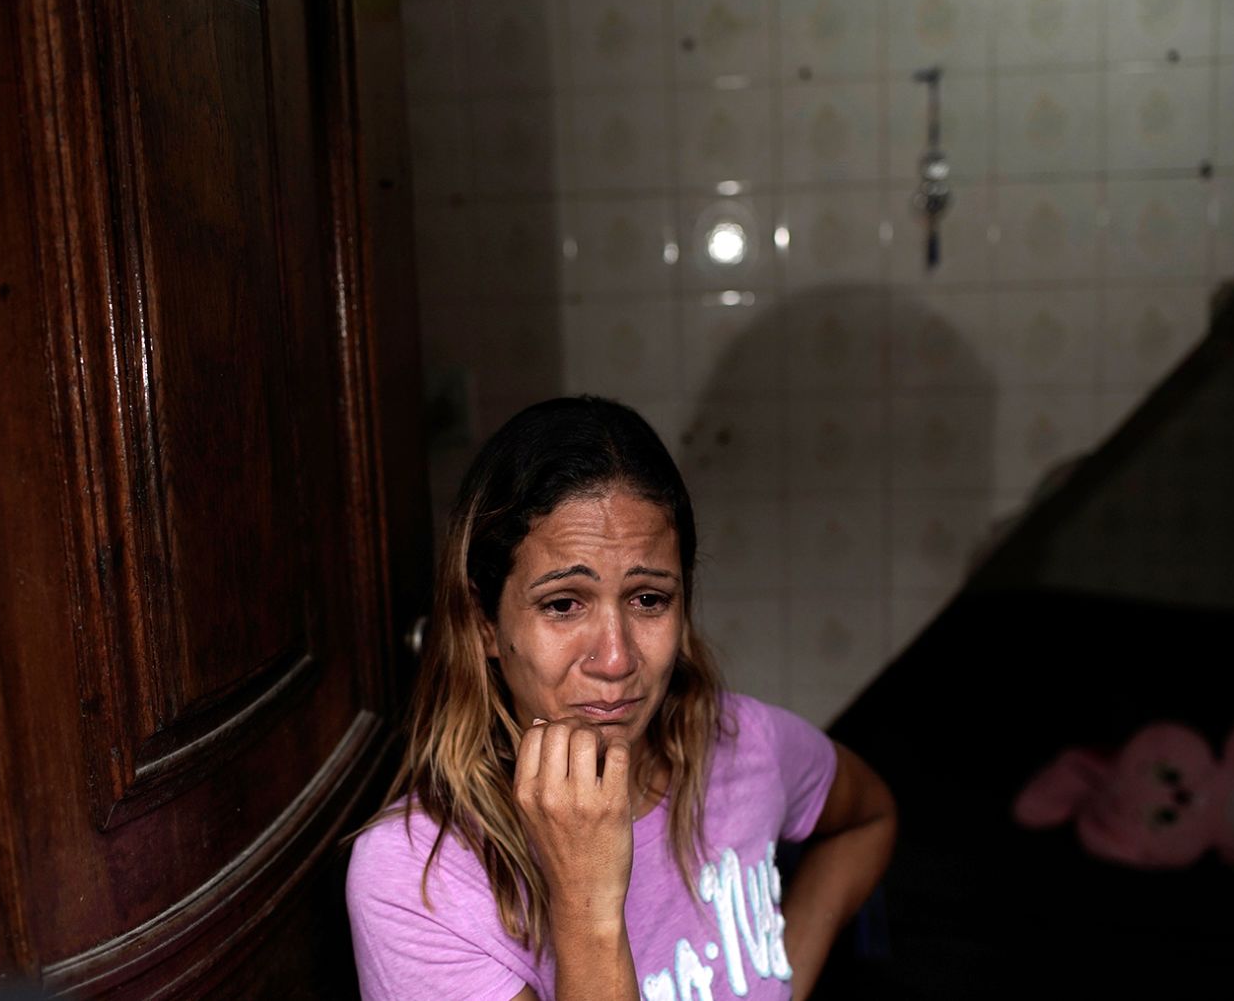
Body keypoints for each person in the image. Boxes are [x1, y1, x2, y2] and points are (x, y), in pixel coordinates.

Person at [347, 396, 895, 1000]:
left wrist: (790, 972)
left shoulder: (744, 744)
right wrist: (586, 909)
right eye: (563, 604)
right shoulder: (418, 879)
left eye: (648, 599)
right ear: (484, 624)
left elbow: (868, 819)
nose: (616, 659)